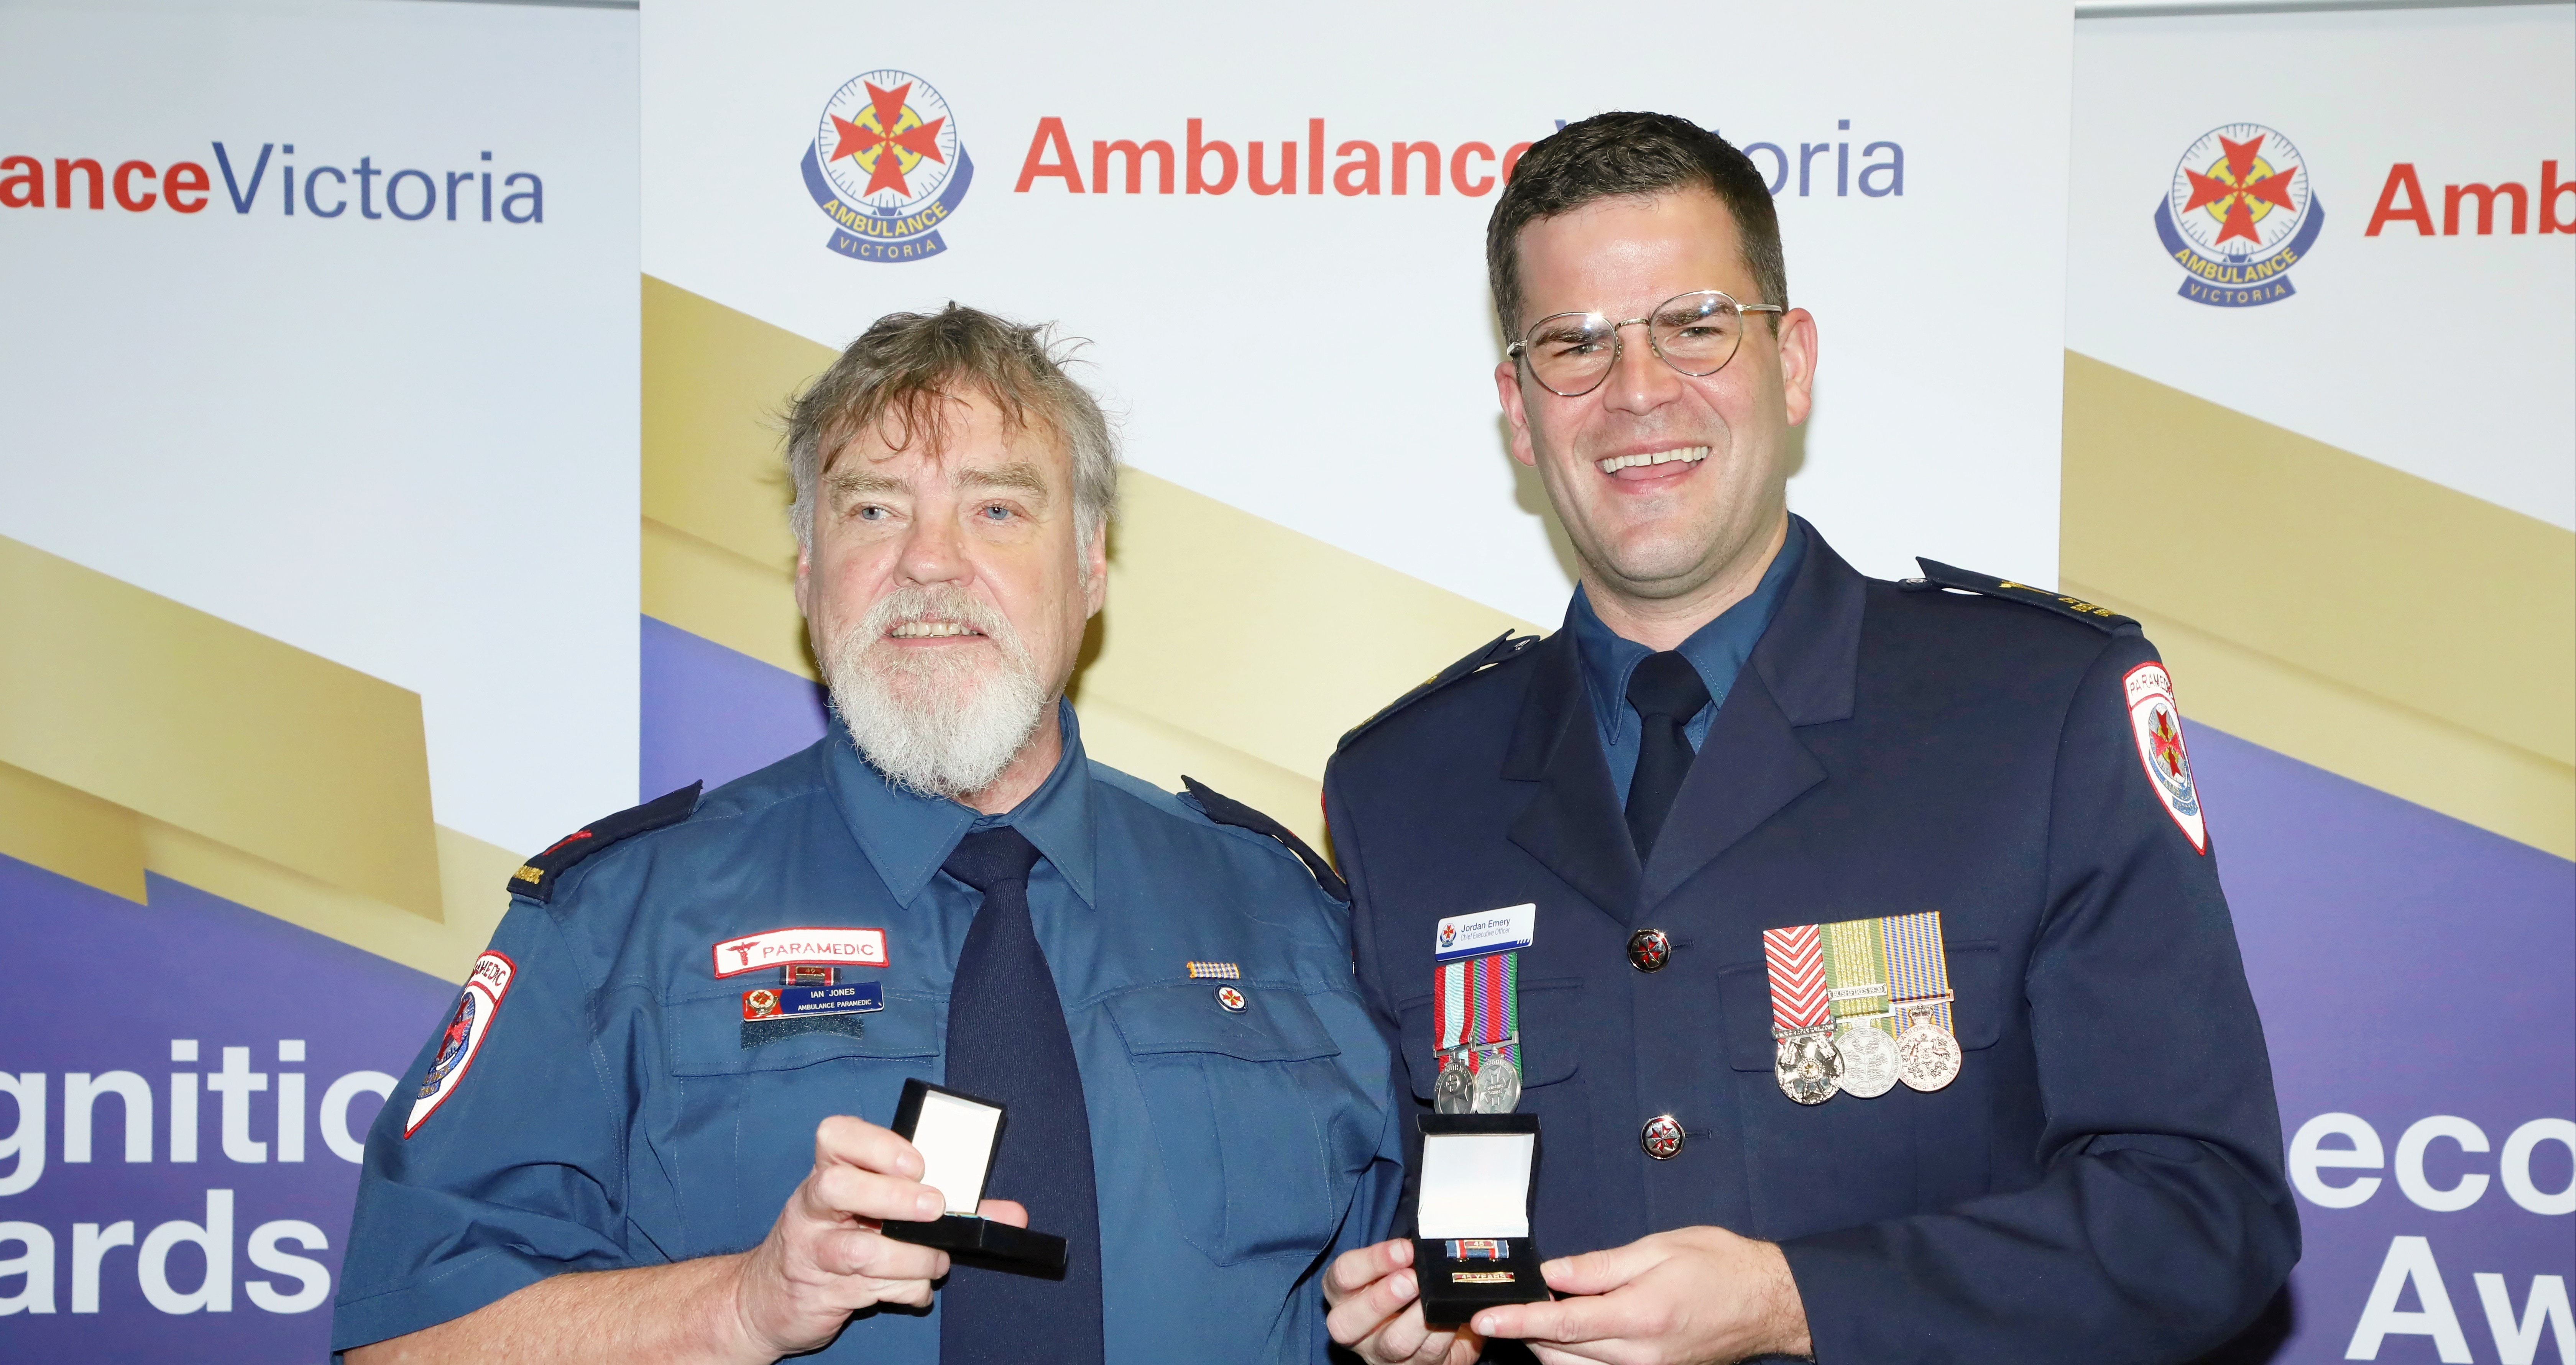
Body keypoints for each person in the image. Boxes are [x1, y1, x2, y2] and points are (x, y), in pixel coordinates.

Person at [1320, 113, 2297, 1365]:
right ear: (1519, 409)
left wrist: (1800, 1301)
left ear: (1792, 363)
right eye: (1575, 344)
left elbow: (2205, 1212)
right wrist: (1408, 1325)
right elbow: (1416, 1220)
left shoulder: (2033, 711)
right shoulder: (1406, 784)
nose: (1636, 392)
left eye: (1694, 325)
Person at [333, 304, 1398, 1364]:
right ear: (806, 571)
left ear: (1089, 568)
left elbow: (1418, 1303)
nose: (930, 563)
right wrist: (740, 1307)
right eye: (876, 510)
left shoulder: (1286, 913)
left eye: (996, 509)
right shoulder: (617, 919)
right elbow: (402, 1338)